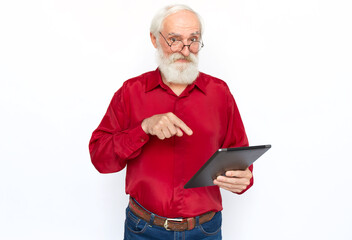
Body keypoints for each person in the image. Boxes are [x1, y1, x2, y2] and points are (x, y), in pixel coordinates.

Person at [89, 4, 253, 240]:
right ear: (155, 40)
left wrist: (244, 178)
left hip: (205, 231)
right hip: (143, 230)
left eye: (193, 39)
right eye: (174, 39)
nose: (185, 50)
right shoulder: (130, 92)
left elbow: (239, 157)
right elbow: (100, 159)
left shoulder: (220, 93)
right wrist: (143, 128)